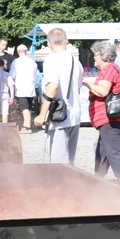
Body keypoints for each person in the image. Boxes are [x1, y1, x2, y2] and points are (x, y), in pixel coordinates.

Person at [85, 40, 120, 188]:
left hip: (110, 119)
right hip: (108, 119)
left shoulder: (109, 68)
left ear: (103, 55)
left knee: (113, 153)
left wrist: (86, 83)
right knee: (103, 151)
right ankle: (98, 183)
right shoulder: (109, 69)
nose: (94, 58)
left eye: (95, 55)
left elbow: (103, 91)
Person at [33, 28, 82, 164]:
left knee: (59, 162)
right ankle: (70, 184)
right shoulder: (75, 61)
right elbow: (78, 87)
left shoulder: (51, 60)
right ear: (66, 41)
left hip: (59, 116)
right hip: (74, 114)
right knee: (69, 160)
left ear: (49, 44)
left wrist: (42, 114)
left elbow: (53, 87)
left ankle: (61, 185)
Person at [9, 43, 38, 134]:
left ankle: (27, 127)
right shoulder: (32, 61)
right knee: (28, 108)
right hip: (31, 88)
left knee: (24, 108)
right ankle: (25, 126)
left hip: (21, 88)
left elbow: (11, 75)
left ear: (18, 52)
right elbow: (36, 75)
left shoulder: (16, 62)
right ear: (26, 51)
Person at [0, 58, 15, 124]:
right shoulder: (7, 74)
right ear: (3, 66)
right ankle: (5, 127)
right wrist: (12, 97)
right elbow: (11, 86)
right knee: (5, 112)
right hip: (5, 94)